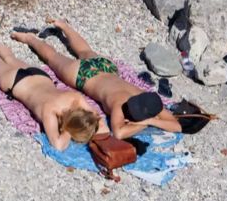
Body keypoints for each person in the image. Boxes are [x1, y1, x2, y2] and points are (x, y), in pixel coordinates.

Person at [12, 19, 181, 140]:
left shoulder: (145, 97)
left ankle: (64, 26)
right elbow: (119, 133)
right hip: (83, 75)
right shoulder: (119, 106)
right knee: (53, 58)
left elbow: (177, 126)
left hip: (107, 67)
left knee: (85, 50)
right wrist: (146, 122)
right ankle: (29, 38)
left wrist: (152, 119)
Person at [0, 32, 106, 151]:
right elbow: (58, 145)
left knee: (9, 58)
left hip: (39, 75)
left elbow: (94, 114)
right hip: (16, 82)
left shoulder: (75, 98)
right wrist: (69, 130)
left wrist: (87, 122)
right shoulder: (50, 112)